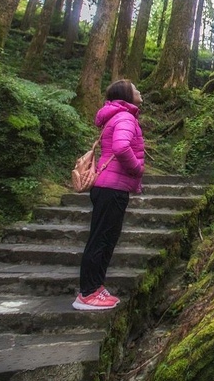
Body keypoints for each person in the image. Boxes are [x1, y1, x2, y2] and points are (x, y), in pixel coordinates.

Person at [73, 79, 145, 311]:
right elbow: (122, 147)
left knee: (106, 238)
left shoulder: (117, 116)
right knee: (102, 239)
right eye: (135, 89)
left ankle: (96, 287)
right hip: (111, 188)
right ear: (126, 95)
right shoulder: (125, 117)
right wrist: (137, 168)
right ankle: (88, 293)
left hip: (109, 187)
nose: (139, 91)